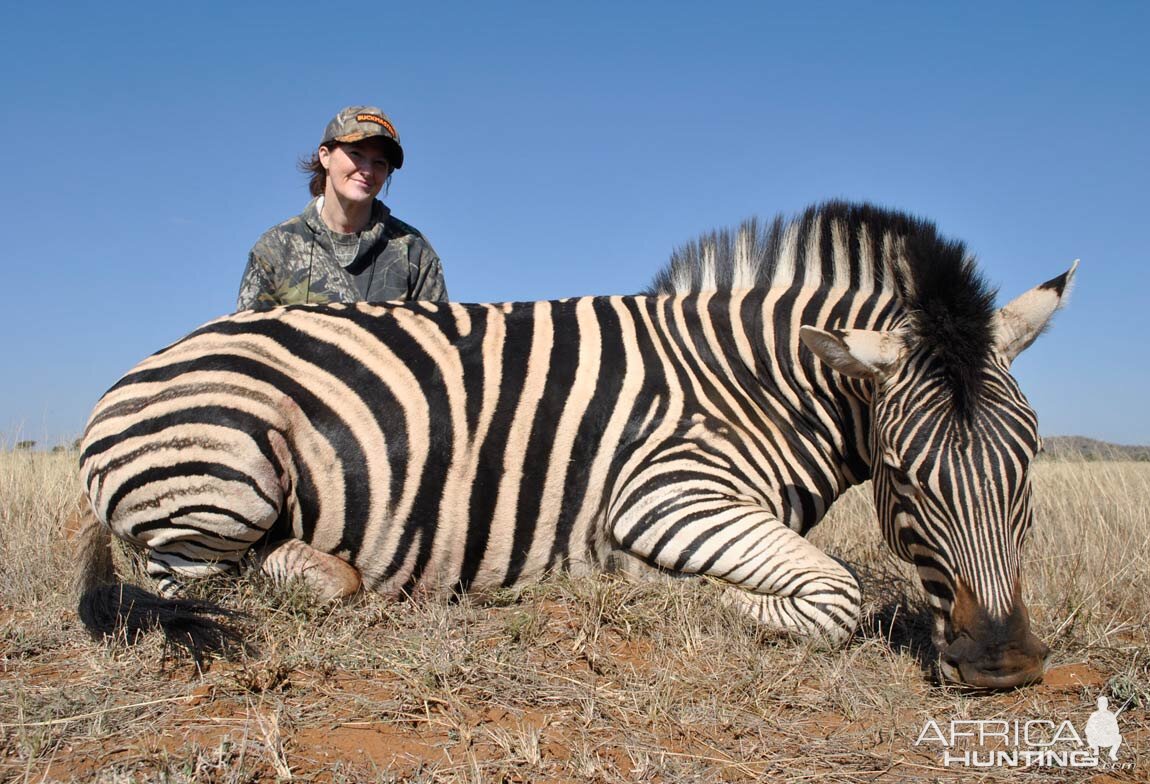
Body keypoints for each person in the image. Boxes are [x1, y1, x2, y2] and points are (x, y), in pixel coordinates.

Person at [237, 105, 447, 310]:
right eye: (356, 153)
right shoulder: (276, 247)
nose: (367, 170)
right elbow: (248, 340)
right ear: (325, 156)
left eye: (380, 163)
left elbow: (438, 339)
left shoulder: (413, 250)